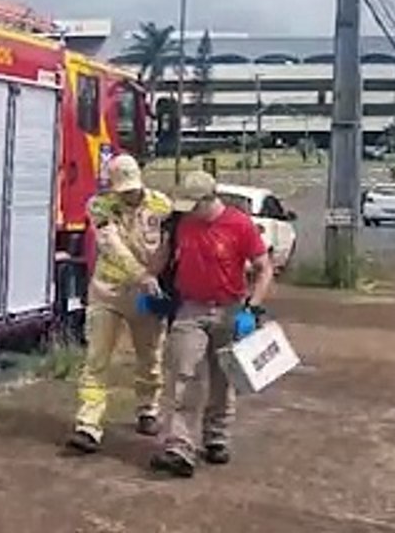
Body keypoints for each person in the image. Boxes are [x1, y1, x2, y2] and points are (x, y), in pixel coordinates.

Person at [150, 169, 274, 478]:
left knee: (223, 377)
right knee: (183, 374)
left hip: (229, 309)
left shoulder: (239, 225)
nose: (188, 211)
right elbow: (160, 261)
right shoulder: (181, 225)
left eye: (193, 205)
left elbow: (263, 267)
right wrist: (151, 271)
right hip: (191, 308)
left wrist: (252, 308)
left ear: (209, 199)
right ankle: (179, 445)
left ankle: (216, 436)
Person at [67, 154, 174, 454]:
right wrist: (141, 274)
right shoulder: (100, 206)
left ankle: (147, 409)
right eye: (124, 190)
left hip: (146, 296)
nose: (130, 195)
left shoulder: (161, 206)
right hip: (108, 291)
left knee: (151, 356)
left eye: (133, 189)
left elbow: (171, 243)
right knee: (97, 357)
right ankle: (88, 424)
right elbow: (109, 245)